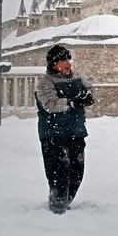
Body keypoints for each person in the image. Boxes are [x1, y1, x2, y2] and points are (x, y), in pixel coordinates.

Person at [35, 44, 95, 214]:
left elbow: (90, 92)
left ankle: (66, 202)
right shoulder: (45, 83)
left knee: (77, 171)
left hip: (76, 133)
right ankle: (57, 206)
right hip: (53, 135)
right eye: (63, 60)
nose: (68, 63)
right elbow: (50, 104)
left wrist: (88, 98)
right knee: (59, 172)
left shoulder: (79, 79)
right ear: (54, 64)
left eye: (68, 59)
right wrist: (72, 102)